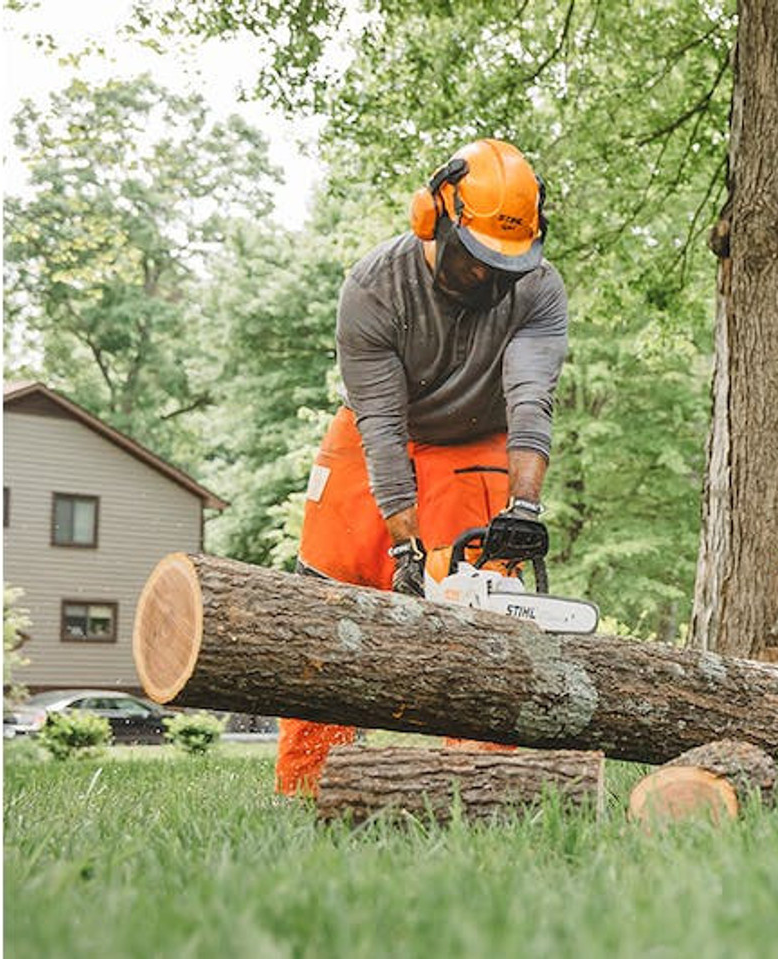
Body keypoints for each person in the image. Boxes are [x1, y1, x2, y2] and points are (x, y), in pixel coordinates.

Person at [274, 138, 570, 797]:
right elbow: (382, 427)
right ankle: (308, 784)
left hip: (477, 442)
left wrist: (525, 506)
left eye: (507, 268)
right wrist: (404, 543)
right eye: (476, 264)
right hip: (376, 441)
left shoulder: (540, 292)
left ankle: (485, 782)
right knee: (326, 598)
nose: (491, 284)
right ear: (430, 220)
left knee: (487, 607)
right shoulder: (374, 288)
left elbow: (529, 398)